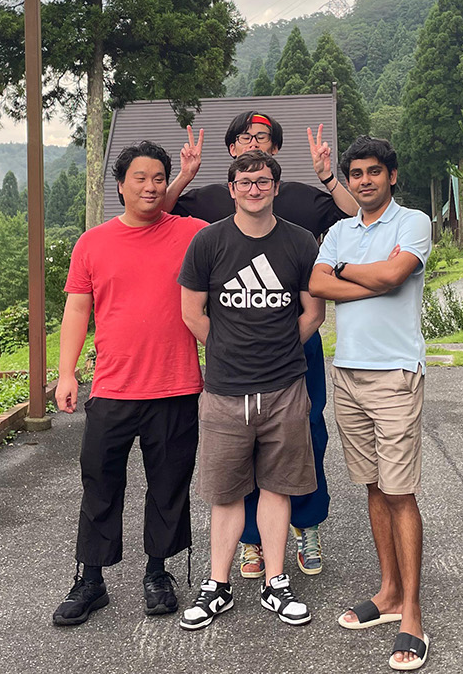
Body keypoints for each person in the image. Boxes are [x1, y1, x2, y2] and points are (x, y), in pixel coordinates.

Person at [163, 110, 354, 580]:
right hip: (235, 357)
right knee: (239, 445)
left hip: (296, 346)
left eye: (264, 138)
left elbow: (357, 215)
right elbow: (157, 215)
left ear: (275, 153)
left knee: (305, 434)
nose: (255, 144)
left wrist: (328, 175)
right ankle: (251, 540)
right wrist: (184, 173)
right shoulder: (209, 199)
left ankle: (306, 526)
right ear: (230, 154)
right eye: (246, 137)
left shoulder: (303, 201)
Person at [51, 141, 208, 627]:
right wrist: (65, 371)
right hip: (113, 389)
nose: (150, 186)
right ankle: (91, 578)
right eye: (140, 178)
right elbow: (77, 308)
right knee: (99, 481)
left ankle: (158, 573)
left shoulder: (192, 234)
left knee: (168, 486)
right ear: (119, 184)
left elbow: (245, 237)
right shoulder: (92, 243)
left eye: (159, 178)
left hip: (175, 386)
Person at [177, 149, 325, 630]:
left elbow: (313, 313)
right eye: (246, 181)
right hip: (224, 390)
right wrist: (227, 352)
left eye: (263, 181)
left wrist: (278, 351)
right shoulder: (208, 242)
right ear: (232, 188)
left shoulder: (301, 243)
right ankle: (217, 585)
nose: (254, 188)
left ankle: (275, 582)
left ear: (276, 188)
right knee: (225, 492)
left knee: (279, 487)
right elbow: (191, 313)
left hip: (285, 387)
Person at [308, 136, 433, 671]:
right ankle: (386, 593)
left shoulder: (412, 222)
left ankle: (413, 615)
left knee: (401, 492)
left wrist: (349, 275)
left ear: (392, 176)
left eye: (373, 172)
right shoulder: (338, 230)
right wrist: (367, 277)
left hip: (395, 375)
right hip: (348, 375)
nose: (364, 180)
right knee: (373, 486)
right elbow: (315, 282)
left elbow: (394, 275)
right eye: (355, 173)